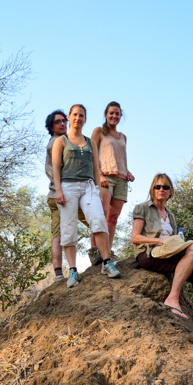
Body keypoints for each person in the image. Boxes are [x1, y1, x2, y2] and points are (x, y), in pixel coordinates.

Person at [131, 173, 193, 338]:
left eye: (165, 187)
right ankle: (172, 299)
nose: (161, 190)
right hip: (149, 254)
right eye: (157, 187)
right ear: (152, 190)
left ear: (170, 192)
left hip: (168, 254)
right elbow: (135, 238)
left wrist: (175, 243)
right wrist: (161, 241)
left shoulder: (170, 215)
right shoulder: (142, 208)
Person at [52, 104, 121, 288]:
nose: (78, 118)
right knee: (68, 227)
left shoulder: (90, 142)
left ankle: (107, 262)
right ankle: (73, 270)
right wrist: (58, 190)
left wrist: (98, 190)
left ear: (85, 119)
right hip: (68, 186)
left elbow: (95, 168)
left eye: (81, 115)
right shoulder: (62, 141)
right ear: (69, 117)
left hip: (89, 186)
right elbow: (56, 168)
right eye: (75, 115)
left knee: (98, 220)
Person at [45, 109, 89, 281]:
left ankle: (58, 274)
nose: (62, 123)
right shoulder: (57, 143)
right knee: (95, 220)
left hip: (56, 194)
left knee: (58, 234)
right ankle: (100, 256)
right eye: (58, 122)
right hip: (63, 194)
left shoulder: (62, 141)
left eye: (64, 120)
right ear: (51, 126)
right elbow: (60, 170)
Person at [89, 101, 135, 264]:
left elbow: (119, 156)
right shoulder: (99, 132)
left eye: (117, 113)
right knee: (100, 213)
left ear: (120, 116)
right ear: (106, 114)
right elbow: (91, 153)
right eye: (111, 113)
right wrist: (99, 174)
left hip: (121, 179)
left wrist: (127, 171)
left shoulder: (123, 137)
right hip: (105, 177)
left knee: (113, 218)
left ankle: (107, 251)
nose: (114, 116)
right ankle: (95, 251)